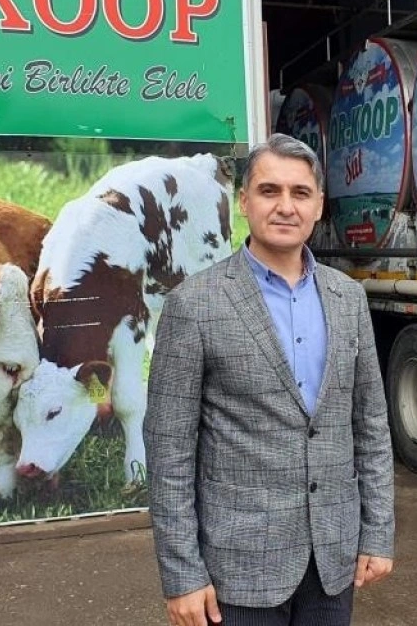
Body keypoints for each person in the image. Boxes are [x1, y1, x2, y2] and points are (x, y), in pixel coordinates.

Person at [145, 134, 395, 626]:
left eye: (300, 193)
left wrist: (378, 533)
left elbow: (370, 426)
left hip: (333, 562)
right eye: (269, 191)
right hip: (237, 568)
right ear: (244, 201)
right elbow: (169, 450)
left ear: (319, 205)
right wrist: (182, 575)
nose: (285, 206)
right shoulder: (194, 305)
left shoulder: (349, 299)